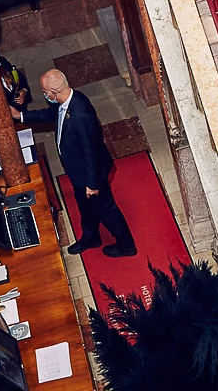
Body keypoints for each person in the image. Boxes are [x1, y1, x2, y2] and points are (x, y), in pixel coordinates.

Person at [18, 69, 136, 258]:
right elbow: (49, 115)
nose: (43, 95)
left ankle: (126, 245)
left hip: (91, 175)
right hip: (78, 172)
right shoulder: (66, 101)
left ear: (53, 93)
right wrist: (22, 116)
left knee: (106, 209)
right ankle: (91, 237)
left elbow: (91, 151)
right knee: (85, 206)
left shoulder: (81, 114)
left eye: (44, 91)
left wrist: (92, 183)